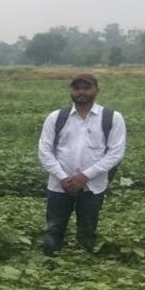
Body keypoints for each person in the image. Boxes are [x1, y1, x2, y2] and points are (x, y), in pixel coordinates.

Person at [37, 73, 126, 255]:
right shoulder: (56, 117)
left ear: (97, 91)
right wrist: (63, 177)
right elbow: (44, 150)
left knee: (87, 230)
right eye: (77, 88)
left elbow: (115, 152)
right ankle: (49, 264)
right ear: (72, 91)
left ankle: (84, 265)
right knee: (54, 229)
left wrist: (85, 176)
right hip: (59, 185)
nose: (81, 92)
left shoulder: (112, 118)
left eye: (86, 88)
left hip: (92, 186)